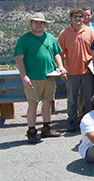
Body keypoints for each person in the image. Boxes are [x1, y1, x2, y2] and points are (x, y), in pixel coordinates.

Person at [15, 12, 67, 143]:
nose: (38, 24)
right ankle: (31, 131)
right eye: (36, 22)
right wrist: (24, 76)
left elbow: (57, 54)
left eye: (41, 22)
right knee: (33, 104)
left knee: (47, 102)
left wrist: (60, 66)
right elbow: (19, 58)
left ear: (44, 24)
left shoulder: (49, 37)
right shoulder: (24, 39)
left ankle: (46, 128)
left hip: (49, 76)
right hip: (32, 77)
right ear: (31, 23)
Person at [58, 8, 94, 132]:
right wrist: (62, 69)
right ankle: (72, 122)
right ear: (71, 19)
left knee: (88, 98)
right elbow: (60, 53)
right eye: (75, 17)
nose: (78, 19)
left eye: (80, 16)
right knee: (72, 99)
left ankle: (90, 122)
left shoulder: (89, 32)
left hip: (87, 71)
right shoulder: (64, 33)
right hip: (71, 71)